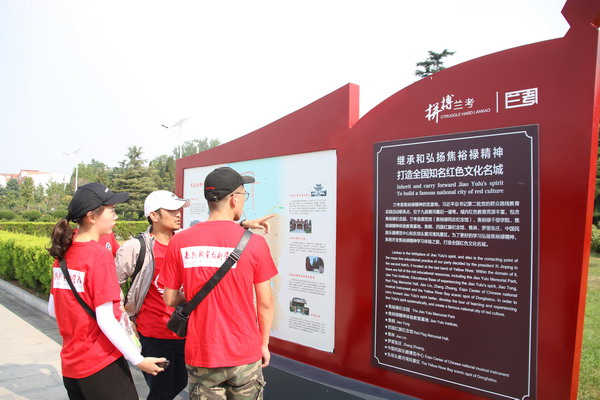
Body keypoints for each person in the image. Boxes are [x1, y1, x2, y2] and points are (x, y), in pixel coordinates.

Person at [116, 190, 274, 400]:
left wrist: (243, 224)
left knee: (180, 382)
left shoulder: (184, 240)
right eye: (171, 210)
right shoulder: (137, 247)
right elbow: (113, 284)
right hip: (155, 331)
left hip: (186, 331)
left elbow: (214, 231)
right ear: (153, 215)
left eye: (179, 209)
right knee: (161, 390)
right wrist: (125, 320)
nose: (178, 214)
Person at [163, 167, 277, 400]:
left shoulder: (180, 241)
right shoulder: (255, 244)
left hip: (202, 354)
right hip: (244, 353)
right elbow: (265, 303)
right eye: (244, 195)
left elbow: (170, 298)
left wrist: (193, 292)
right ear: (234, 199)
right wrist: (263, 344)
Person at [47, 182, 166, 400]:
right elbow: (106, 319)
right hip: (101, 365)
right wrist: (138, 360)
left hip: (71, 366)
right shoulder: (98, 255)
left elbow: (53, 310)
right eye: (111, 210)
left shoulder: (63, 253)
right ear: (91, 216)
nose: (116, 216)